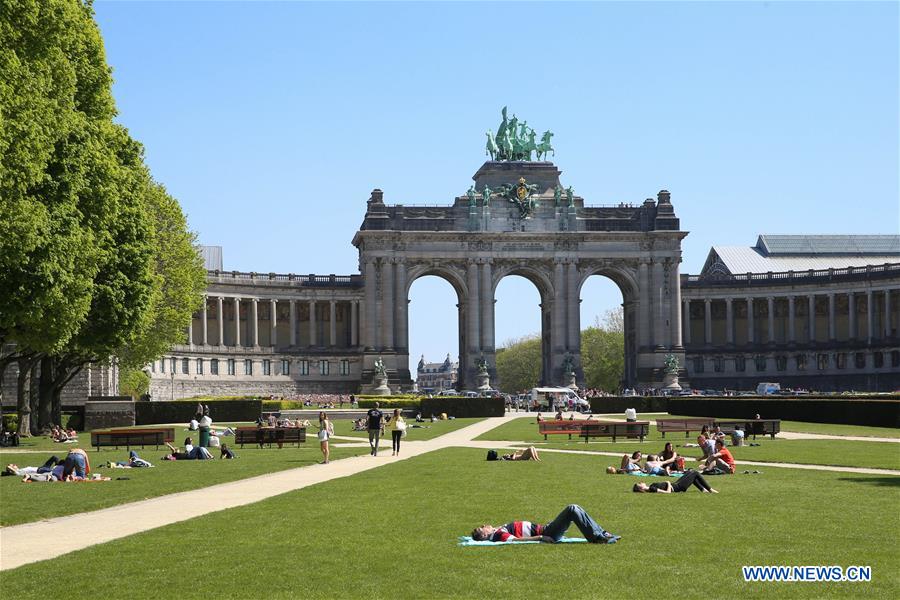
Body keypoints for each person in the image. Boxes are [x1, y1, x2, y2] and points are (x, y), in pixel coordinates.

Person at [470, 504, 620, 544]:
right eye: (483, 527)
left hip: (547, 528)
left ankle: (601, 533)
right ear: (485, 534)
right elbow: (515, 540)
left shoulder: (496, 531)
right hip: (548, 532)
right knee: (572, 509)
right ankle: (596, 538)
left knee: (576, 509)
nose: (486, 524)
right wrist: (541, 537)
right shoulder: (499, 535)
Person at [633, 471, 718, 493]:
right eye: (640, 483)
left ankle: (703, 489)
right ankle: (710, 489)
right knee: (695, 473)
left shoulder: (651, 487)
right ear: (641, 487)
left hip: (676, 484)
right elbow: (668, 492)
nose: (641, 482)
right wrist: (668, 483)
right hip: (678, 486)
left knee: (690, 473)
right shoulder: (651, 488)